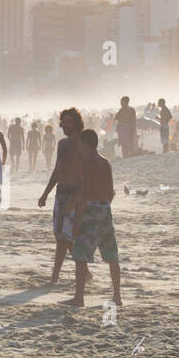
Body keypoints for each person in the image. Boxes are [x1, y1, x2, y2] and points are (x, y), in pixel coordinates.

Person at [63, 128, 122, 308]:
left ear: (86, 145)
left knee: (80, 255)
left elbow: (84, 194)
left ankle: (79, 298)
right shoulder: (105, 163)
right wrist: (104, 208)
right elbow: (111, 192)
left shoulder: (85, 164)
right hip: (105, 209)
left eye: (80, 144)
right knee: (111, 255)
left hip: (90, 211)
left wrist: (77, 220)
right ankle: (117, 296)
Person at [39, 108, 83, 284]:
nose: (65, 125)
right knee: (60, 237)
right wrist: (46, 193)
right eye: (63, 122)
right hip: (61, 193)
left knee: (65, 237)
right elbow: (58, 170)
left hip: (75, 194)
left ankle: (55, 276)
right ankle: (81, 272)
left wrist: (78, 197)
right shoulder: (62, 144)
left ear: (77, 123)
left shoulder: (82, 143)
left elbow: (85, 172)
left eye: (69, 122)